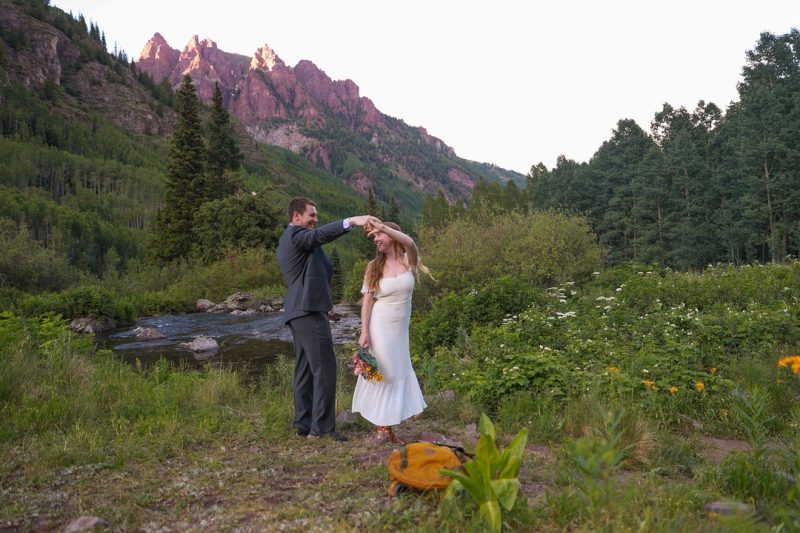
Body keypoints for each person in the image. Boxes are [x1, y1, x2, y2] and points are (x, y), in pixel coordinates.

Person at [277, 197, 381, 442]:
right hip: (308, 311)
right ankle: (322, 428)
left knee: (305, 369)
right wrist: (352, 221)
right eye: (311, 215)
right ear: (296, 217)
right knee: (325, 367)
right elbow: (317, 237)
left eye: (316, 215)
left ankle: (303, 423)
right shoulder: (297, 236)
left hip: (301, 311)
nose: (315, 219)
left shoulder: (294, 239)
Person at [352, 221, 431, 443]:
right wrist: (364, 332)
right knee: (384, 372)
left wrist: (382, 226)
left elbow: (410, 242)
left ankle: (389, 425)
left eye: (379, 235)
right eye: (374, 236)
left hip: (400, 328)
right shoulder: (373, 267)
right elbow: (367, 301)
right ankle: (382, 429)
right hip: (380, 326)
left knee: (398, 370)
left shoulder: (409, 260)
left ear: (392, 236)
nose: (375, 239)